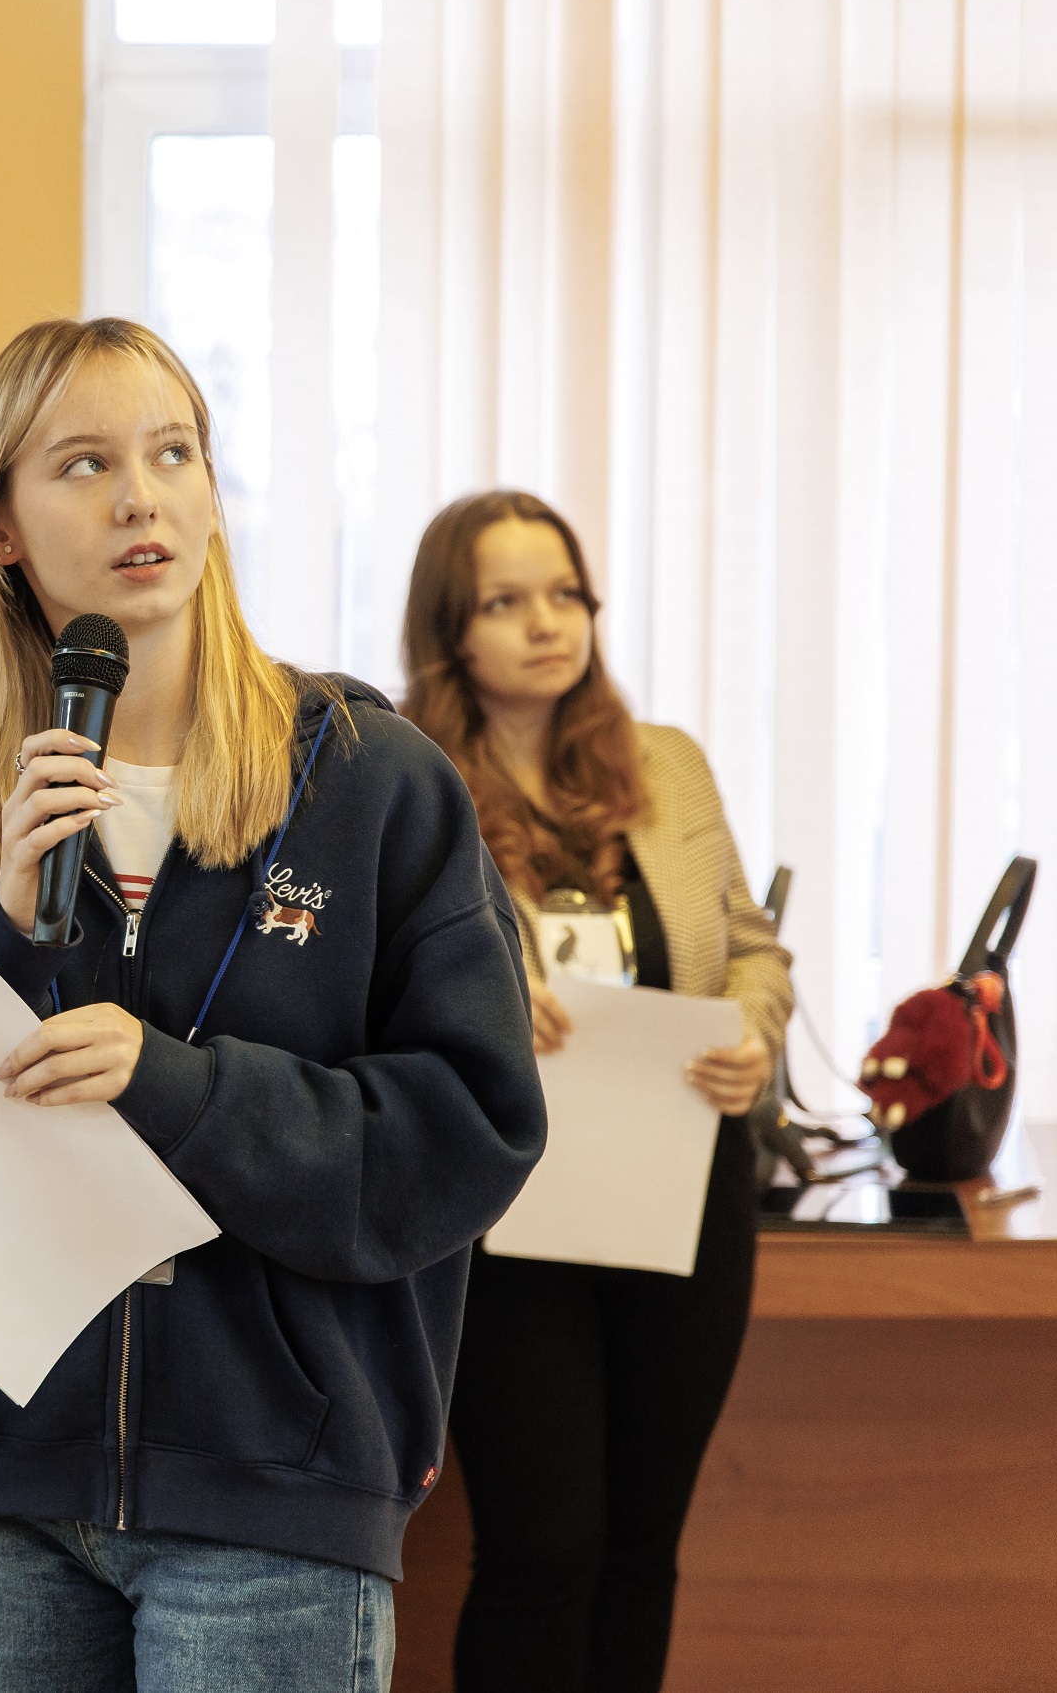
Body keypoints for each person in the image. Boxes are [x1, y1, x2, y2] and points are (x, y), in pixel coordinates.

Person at [0, 317, 546, 1692]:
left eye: (171, 454)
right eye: (83, 464)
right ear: (3, 528)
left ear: (213, 495)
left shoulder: (371, 784)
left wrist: (177, 1085)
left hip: (276, 1494)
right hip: (5, 1489)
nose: (139, 497)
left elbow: (469, 1130)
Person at [399, 489, 791, 1693]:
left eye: (565, 593)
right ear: (449, 628)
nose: (547, 622)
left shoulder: (665, 764)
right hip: (511, 1213)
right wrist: (477, 1004)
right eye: (506, 601)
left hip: (682, 1194)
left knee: (639, 1546)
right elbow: (363, 982)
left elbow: (749, 944)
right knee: (540, 1548)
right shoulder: (406, 779)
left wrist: (752, 1031)